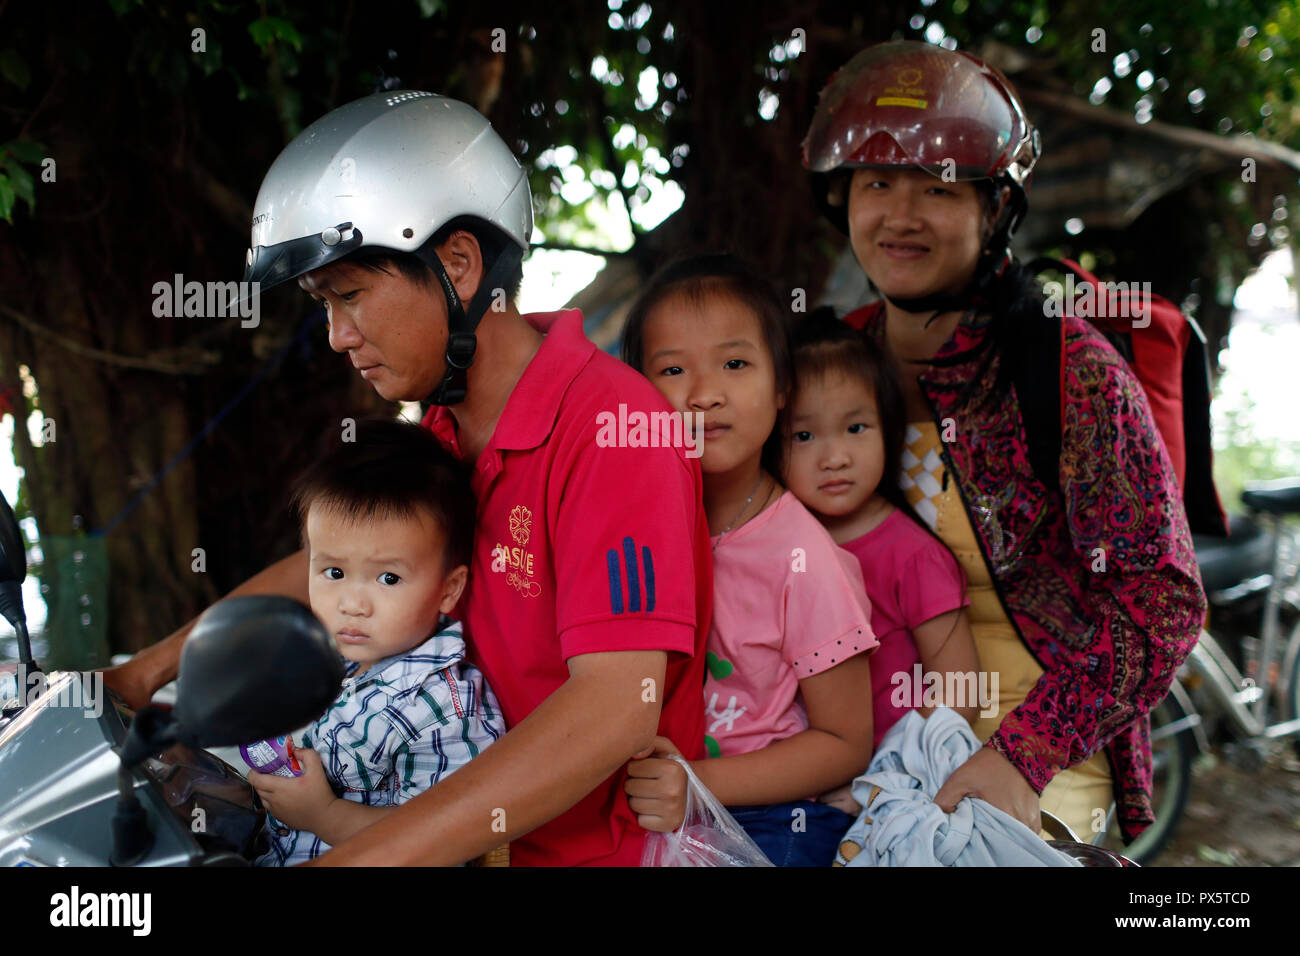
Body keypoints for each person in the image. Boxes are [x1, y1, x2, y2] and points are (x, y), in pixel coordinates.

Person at [103, 91, 712, 866]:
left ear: (457, 265)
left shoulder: (614, 428)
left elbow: (615, 705)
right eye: (324, 305)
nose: (337, 337)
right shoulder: (444, 429)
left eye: (350, 295)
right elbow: (346, 557)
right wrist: (138, 675)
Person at [801, 40, 1206, 843]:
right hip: (857, 749)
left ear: (996, 211)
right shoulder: (827, 362)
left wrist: (1022, 755)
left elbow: (1163, 601)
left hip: (1039, 754)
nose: (902, 215)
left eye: (941, 188)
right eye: (877, 183)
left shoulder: (1066, 368)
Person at [619, 254, 878, 867]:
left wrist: (698, 785)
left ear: (781, 387)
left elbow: (845, 743)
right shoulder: (633, 529)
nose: (706, 394)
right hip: (657, 804)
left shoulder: (803, 557)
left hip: (771, 819)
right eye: (673, 369)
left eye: (735, 364)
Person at [249, 417, 505, 865]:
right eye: (333, 573)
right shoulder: (335, 662)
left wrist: (323, 814)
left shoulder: (442, 708)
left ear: (448, 588)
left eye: (388, 578)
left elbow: (442, 841)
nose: (352, 603)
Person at [781, 313, 979, 765]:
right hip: (796, 775)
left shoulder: (914, 555)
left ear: (888, 430)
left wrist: (891, 775)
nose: (835, 458)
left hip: (897, 778)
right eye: (804, 435)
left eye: (856, 428)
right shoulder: (775, 542)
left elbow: (958, 691)